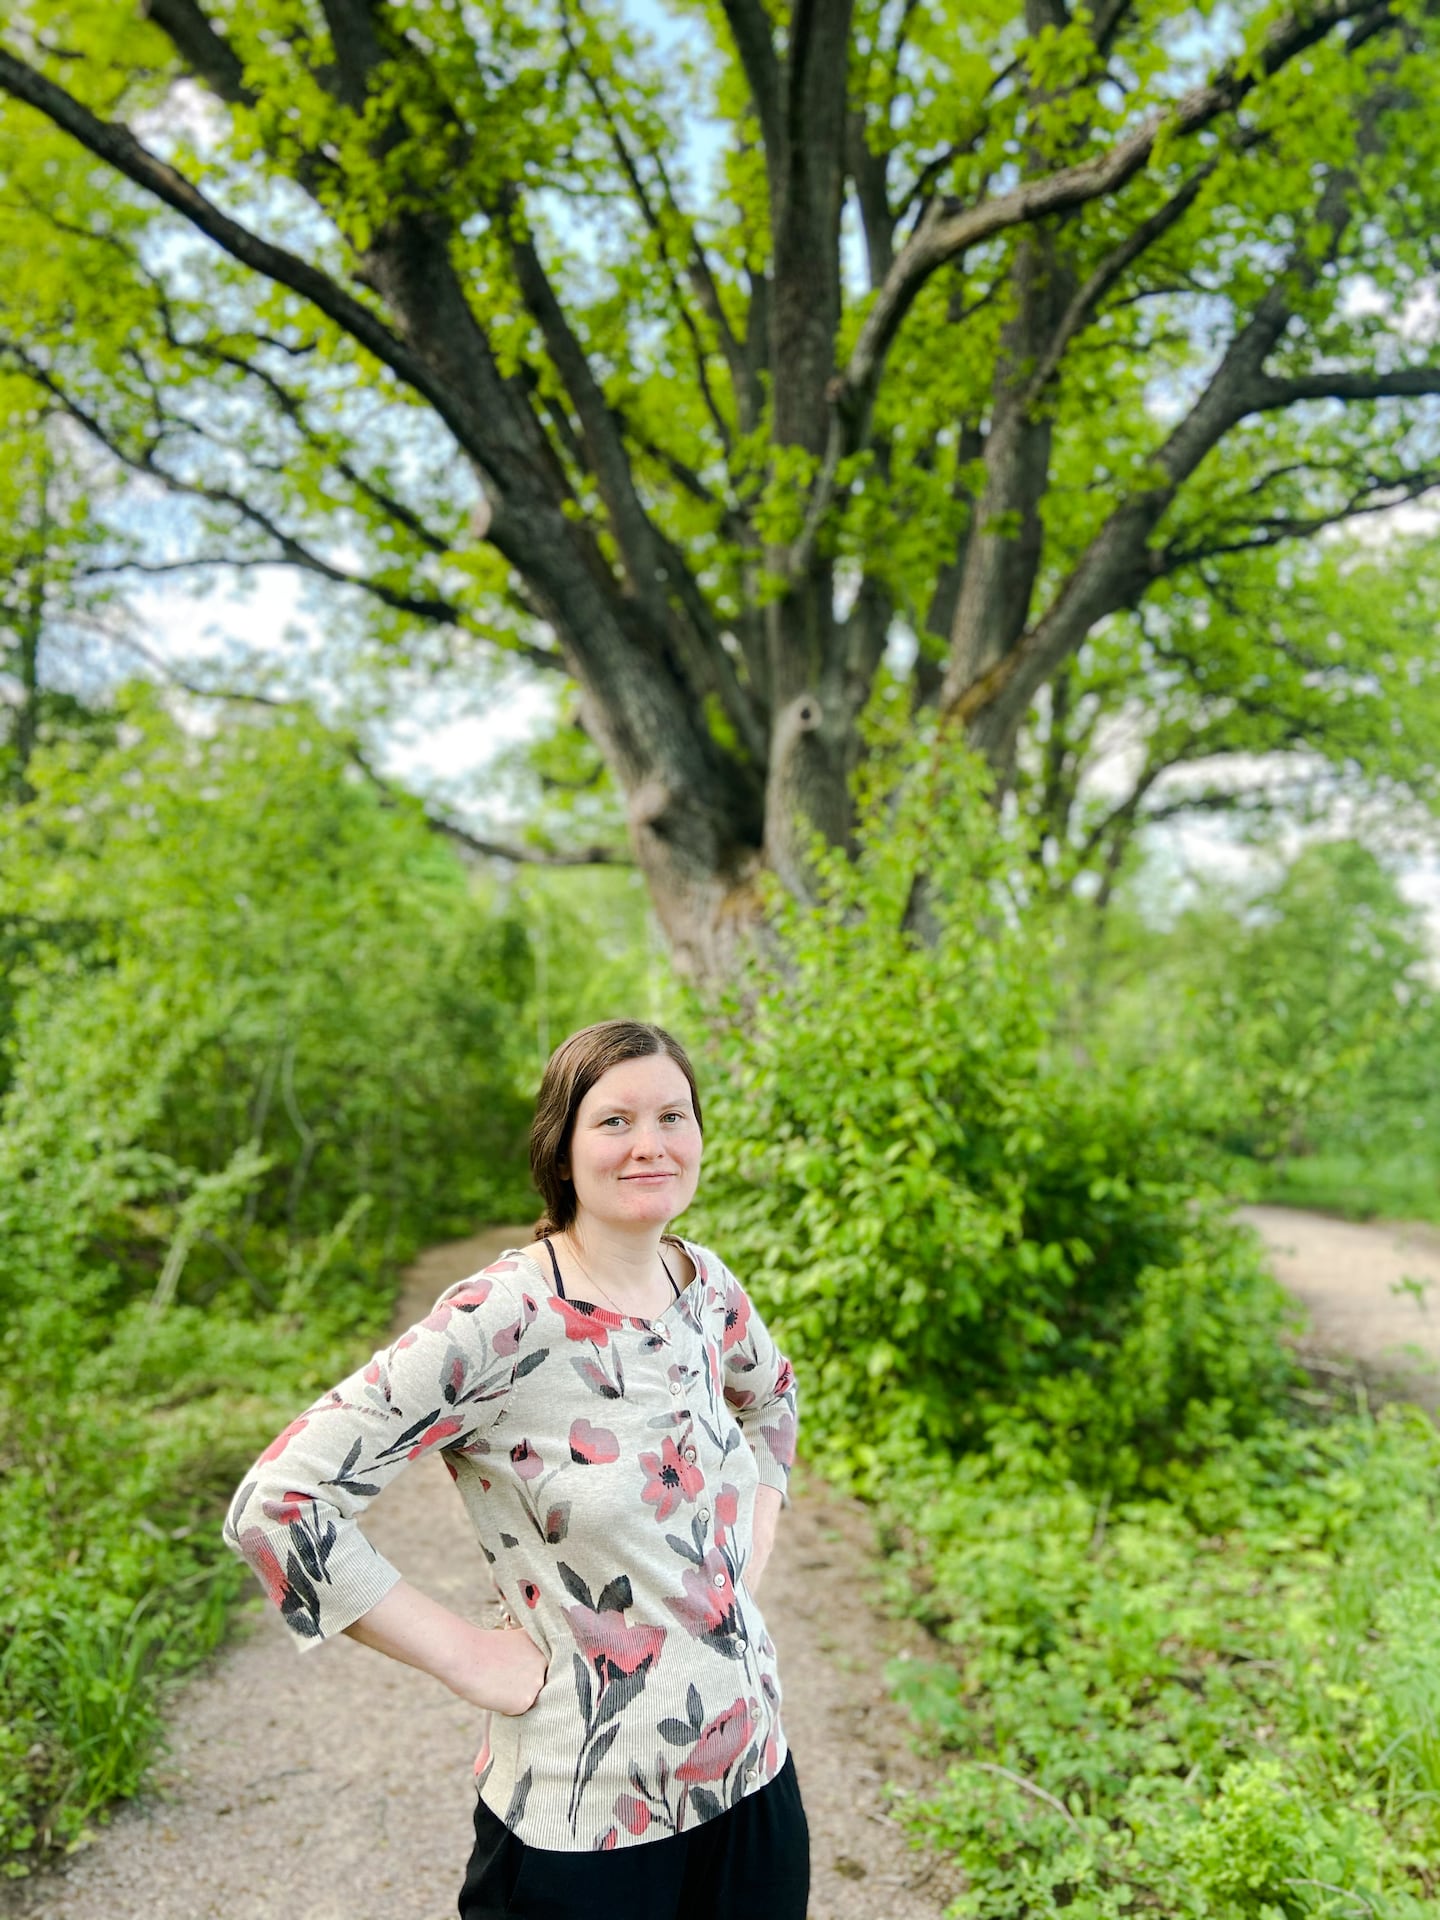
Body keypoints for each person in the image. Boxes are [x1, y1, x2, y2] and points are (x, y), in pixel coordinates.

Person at [224, 1018, 809, 1919]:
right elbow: (278, 1506)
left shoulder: (704, 1286)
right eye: (614, 1122)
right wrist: (471, 1660)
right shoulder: (502, 1319)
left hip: (755, 1777)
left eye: (673, 1116)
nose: (650, 1145)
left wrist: (753, 1541)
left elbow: (772, 1398)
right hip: (586, 1823)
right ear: (561, 1151)